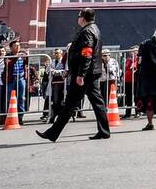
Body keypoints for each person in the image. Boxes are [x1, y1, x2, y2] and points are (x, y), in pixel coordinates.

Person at [37, 8, 110, 142]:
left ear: (82, 18)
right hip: (91, 72)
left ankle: (52, 133)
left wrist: (80, 74)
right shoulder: (94, 29)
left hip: (85, 74)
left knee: (70, 104)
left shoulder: (87, 31)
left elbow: (87, 54)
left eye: (79, 16)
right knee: (97, 102)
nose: (77, 18)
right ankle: (104, 131)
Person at [6, 41, 30, 125]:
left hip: (21, 79)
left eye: (19, 45)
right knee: (10, 98)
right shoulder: (8, 56)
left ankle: (20, 117)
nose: (18, 47)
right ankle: (10, 115)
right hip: (11, 79)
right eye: (15, 46)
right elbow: (8, 64)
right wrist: (16, 57)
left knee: (21, 98)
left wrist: (27, 57)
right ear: (11, 47)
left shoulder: (22, 55)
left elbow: (28, 63)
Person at [44, 48, 66, 123]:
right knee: (53, 100)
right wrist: (51, 71)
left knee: (60, 100)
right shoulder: (51, 62)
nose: (56, 55)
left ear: (61, 54)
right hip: (53, 83)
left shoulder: (64, 61)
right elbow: (47, 70)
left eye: (57, 53)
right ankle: (51, 115)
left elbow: (65, 70)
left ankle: (60, 115)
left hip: (62, 83)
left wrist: (56, 71)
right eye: (55, 53)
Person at [122, 47, 138, 118]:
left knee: (136, 97)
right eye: (132, 51)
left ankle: (137, 112)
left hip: (135, 80)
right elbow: (126, 67)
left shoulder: (138, 59)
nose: (134, 52)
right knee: (128, 97)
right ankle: (128, 113)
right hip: (128, 80)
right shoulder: (128, 60)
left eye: (135, 51)